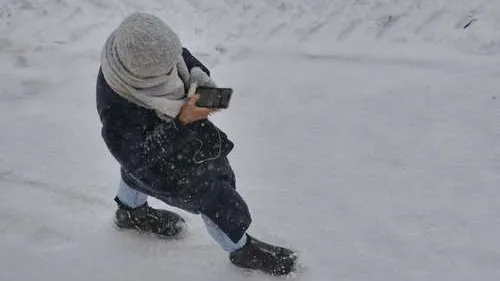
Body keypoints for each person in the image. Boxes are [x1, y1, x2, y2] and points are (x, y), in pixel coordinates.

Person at [95, 12, 297, 276]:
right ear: (141, 75)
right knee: (214, 196)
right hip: (161, 161)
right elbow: (136, 158)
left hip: (169, 144)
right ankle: (241, 248)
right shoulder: (118, 111)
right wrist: (183, 121)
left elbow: (182, 57)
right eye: (165, 71)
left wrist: (198, 79)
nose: (173, 71)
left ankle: (130, 212)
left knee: (133, 178)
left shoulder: (128, 56)